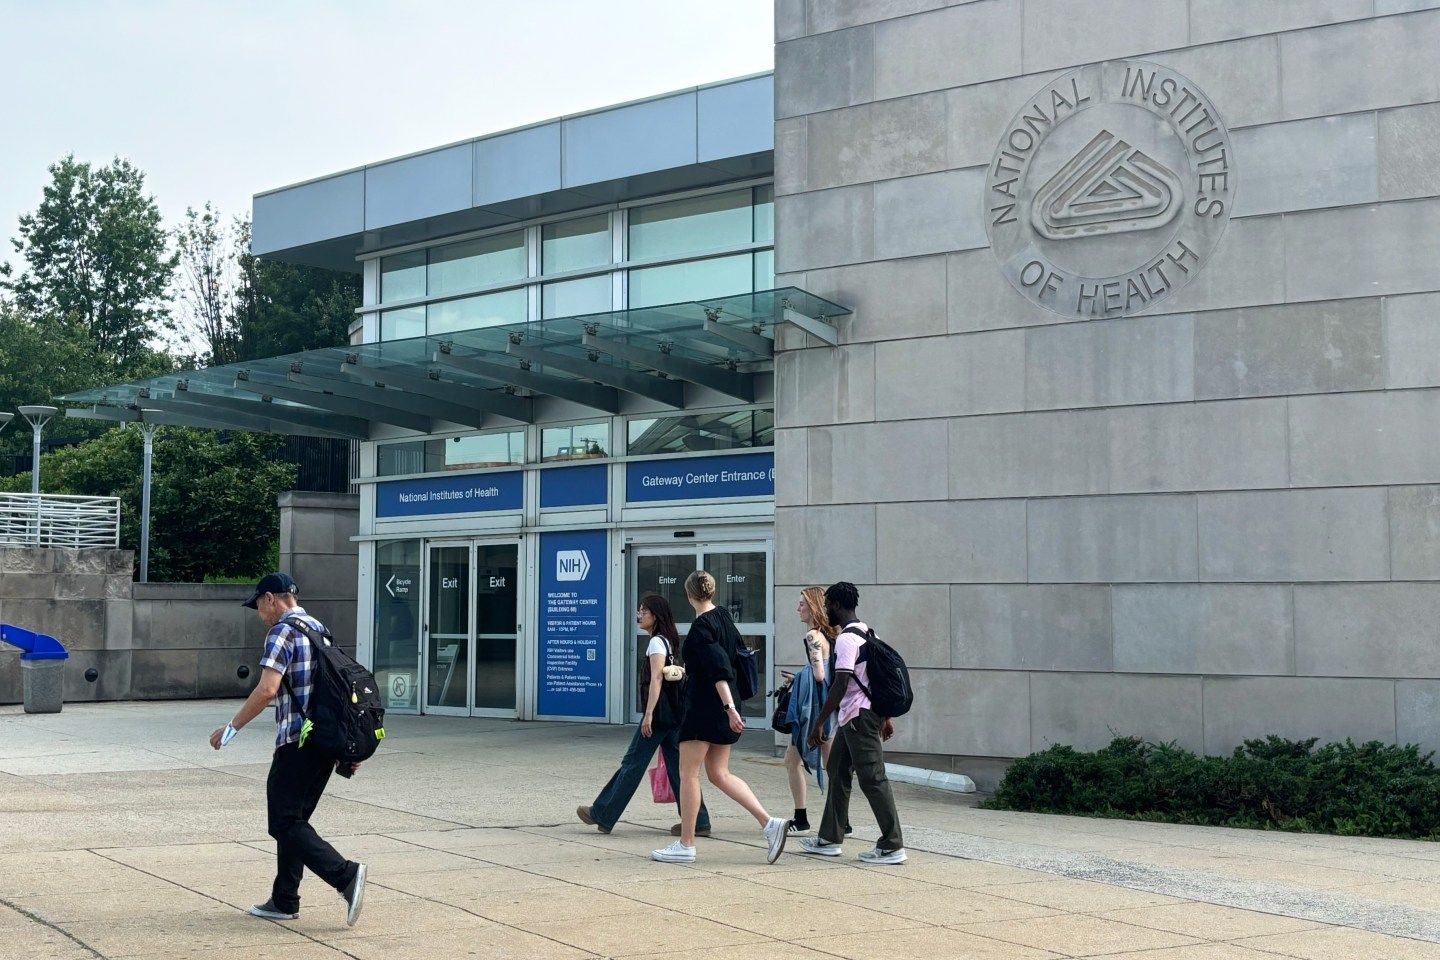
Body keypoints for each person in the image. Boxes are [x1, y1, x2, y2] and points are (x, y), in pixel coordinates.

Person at [209, 572, 368, 924]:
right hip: (324, 742)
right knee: (294, 822)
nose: (258, 614)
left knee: (283, 821)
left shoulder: (281, 631)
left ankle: (345, 875)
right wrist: (344, 749)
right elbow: (337, 693)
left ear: (270, 599)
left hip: (297, 741)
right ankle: (284, 900)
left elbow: (267, 689)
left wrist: (231, 728)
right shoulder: (319, 629)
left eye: (258, 606)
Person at [652, 571, 788, 865]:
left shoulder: (701, 628)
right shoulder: (724, 617)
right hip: (721, 706)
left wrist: (729, 709)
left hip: (705, 708)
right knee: (719, 774)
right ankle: (769, 823)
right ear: (711, 593)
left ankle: (686, 844)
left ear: (689, 596)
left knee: (688, 774)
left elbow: (719, 668)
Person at [577, 595, 712, 836]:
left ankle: (603, 813)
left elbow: (657, 679)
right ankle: (699, 822)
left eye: (643, 611)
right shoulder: (669, 641)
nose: (639, 615)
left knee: (632, 764)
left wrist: (648, 715)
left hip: (660, 715)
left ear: (655, 616)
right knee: (678, 768)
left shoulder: (656, 644)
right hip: (674, 715)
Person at [797, 582, 906, 865]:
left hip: (859, 718)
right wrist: (885, 717)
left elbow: (841, 683)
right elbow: (874, 680)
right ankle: (829, 839)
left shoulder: (846, 639)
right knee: (837, 769)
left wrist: (819, 722)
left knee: (873, 778)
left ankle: (892, 845)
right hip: (856, 717)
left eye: (828, 605)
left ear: (836, 605)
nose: (826, 611)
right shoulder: (868, 632)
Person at [784, 587, 835, 834]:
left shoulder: (813, 636)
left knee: (792, 760)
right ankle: (839, 819)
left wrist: (799, 678)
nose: (798, 608)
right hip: (827, 706)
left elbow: (818, 674)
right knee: (830, 762)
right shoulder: (828, 635)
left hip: (814, 708)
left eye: (802, 604)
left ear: (813, 607)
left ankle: (801, 818)